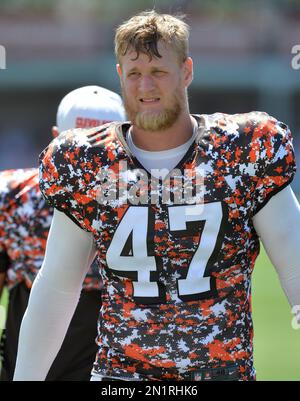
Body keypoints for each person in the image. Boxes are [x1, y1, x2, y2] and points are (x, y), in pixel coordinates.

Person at [13, 11, 300, 381]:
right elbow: (57, 287)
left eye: (158, 72)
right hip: (121, 379)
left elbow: (294, 266)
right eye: (134, 74)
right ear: (120, 77)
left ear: (187, 71)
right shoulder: (87, 161)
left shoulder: (242, 149)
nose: (145, 86)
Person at [0, 85, 126, 381]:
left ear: (56, 137)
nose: (90, 163)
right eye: (82, 150)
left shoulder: (15, 196)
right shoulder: (149, 197)